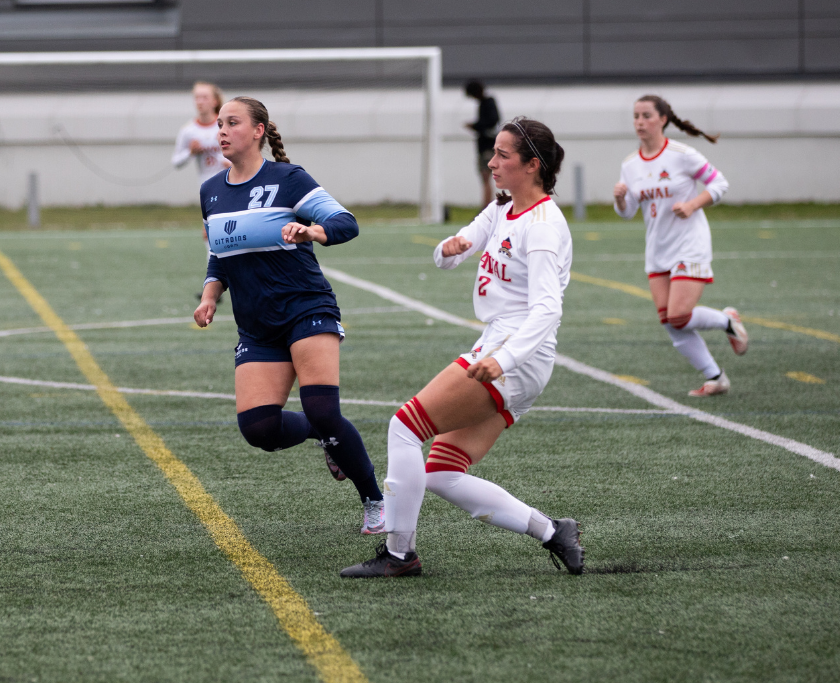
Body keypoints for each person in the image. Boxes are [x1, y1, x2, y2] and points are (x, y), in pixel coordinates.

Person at [340, 117, 584, 578]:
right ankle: (554, 532)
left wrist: (502, 359)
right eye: (493, 153)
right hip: (507, 351)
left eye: (503, 156)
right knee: (441, 470)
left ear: (533, 166)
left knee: (404, 426)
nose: (491, 162)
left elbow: (548, 309)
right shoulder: (502, 208)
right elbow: (450, 256)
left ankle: (398, 555)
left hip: (516, 353)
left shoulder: (545, 227)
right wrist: (451, 248)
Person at [192, 96, 385, 534]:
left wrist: (310, 230)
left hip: (305, 308)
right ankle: (323, 439)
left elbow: (345, 222)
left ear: (259, 130)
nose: (221, 131)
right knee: (259, 428)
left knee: (322, 408)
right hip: (257, 325)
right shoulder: (211, 191)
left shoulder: (288, 179)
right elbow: (219, 254)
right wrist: (209, 296)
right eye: (219, 124)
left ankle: (375, 498)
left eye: (232, 122)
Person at [612, 95, 748, 397]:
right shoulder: (630, 165)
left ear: (663, 119)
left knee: (678, 315)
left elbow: (719, 184)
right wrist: (621, 198)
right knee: (670, 322)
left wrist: (692, 204)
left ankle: (727, 320)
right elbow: (627, 213)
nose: (639, 122)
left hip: (690, 244)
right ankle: (716, 377)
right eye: (636, 116)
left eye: (646, 115)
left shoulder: (682, 154)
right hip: (658, 250)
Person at [172, 81, 231, 264]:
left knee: (230, 231)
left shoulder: (225, 125)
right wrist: (190, 152)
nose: (200, 101)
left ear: (214, 101)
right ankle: (215, 281)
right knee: (210, 233)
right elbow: (176, 161)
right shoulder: (189, 131)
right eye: (197, 97)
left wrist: (230, 162)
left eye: (204, 97)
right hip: (208, 188)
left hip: (231, 183)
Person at [464, 80, 500, 208]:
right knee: (485, 177)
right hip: (484, 145)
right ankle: (487, 204)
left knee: (487, 176)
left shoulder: (488, 102)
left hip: (487, 146)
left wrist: (475, 126)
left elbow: (492, 121)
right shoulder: (484, 103)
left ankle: (486, 206)